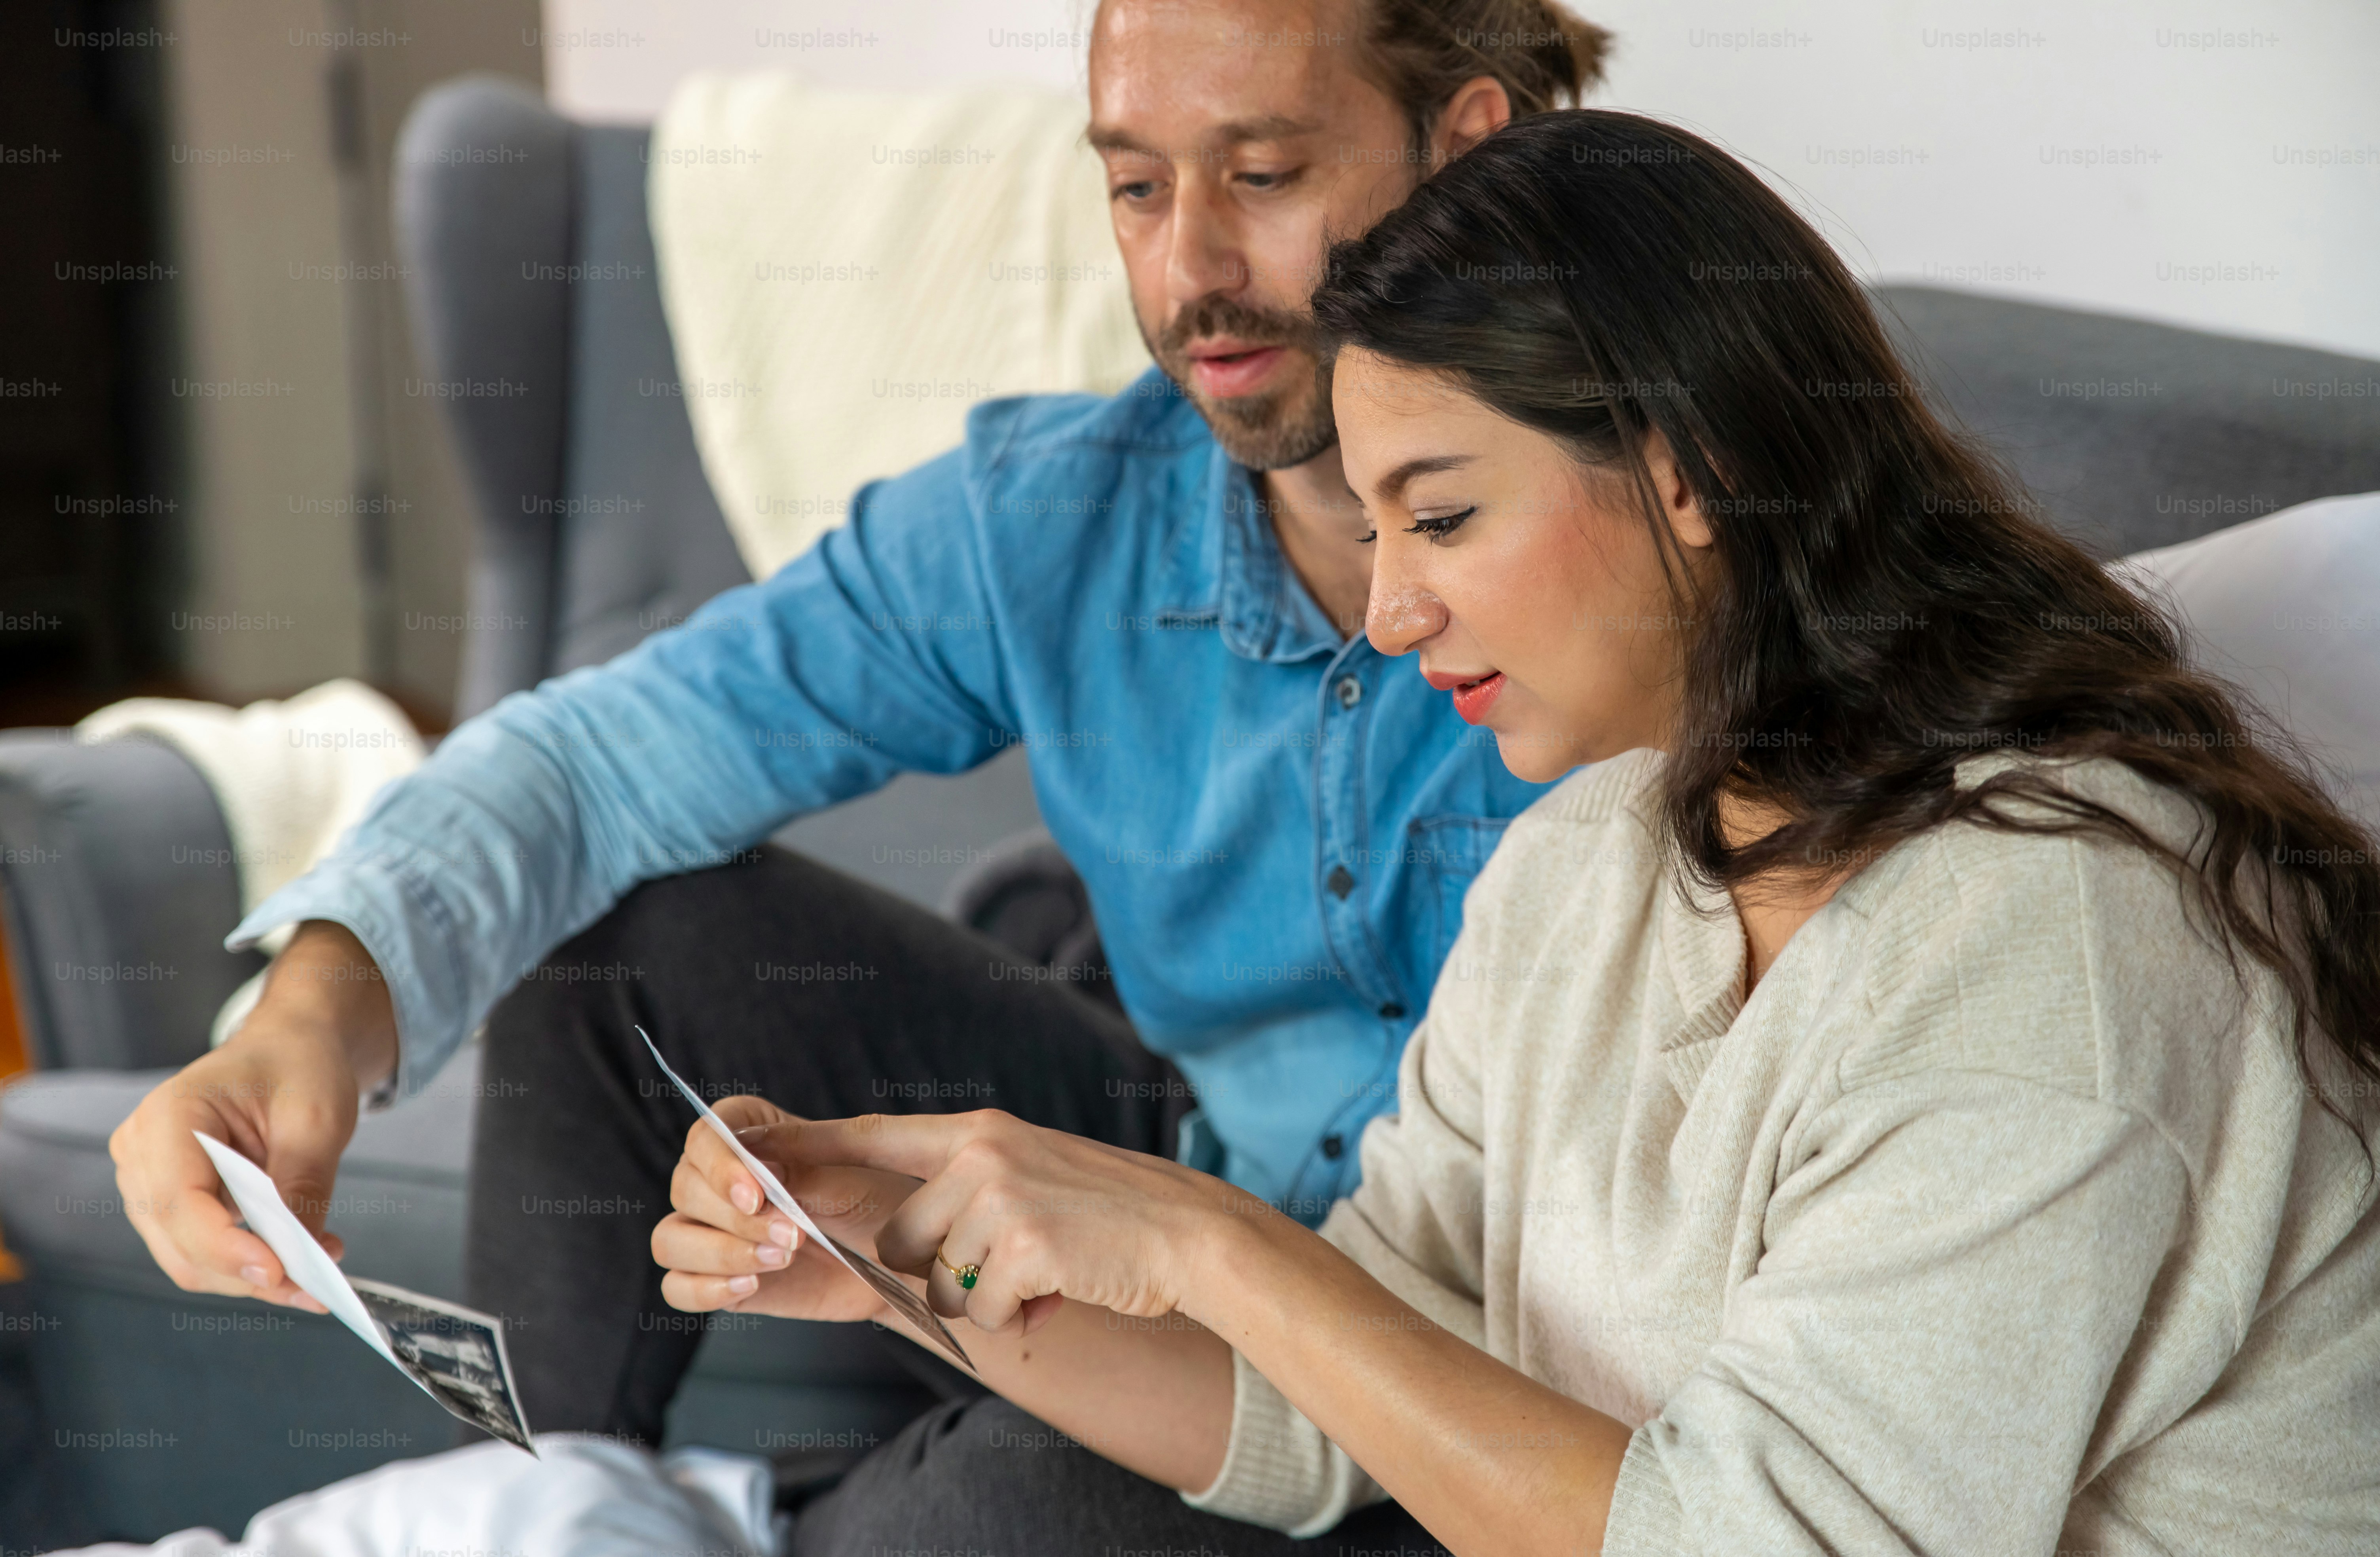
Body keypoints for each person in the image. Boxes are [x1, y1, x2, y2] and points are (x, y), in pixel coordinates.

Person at [651, 110, 2380, 1556]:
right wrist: (908, 1272)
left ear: (1687, 470)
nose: (1388, 613)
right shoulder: (1591, 860)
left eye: (1445, 517)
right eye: (1372, 528)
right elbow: (1336, 1407)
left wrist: (1203, 1237)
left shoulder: (2048, 944)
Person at [106, 0, 1614, 1442]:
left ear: (1465, 145)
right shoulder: (1065, 511)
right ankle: (538, 1497)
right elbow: (597, 762)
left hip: (1506, 1347)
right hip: (1187, 1209)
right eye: (1136, 187)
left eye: (1264, 174)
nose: (1190, 267)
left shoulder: (1669, 531)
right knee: (642, 936)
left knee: (975, 1510)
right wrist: (311, 1015)